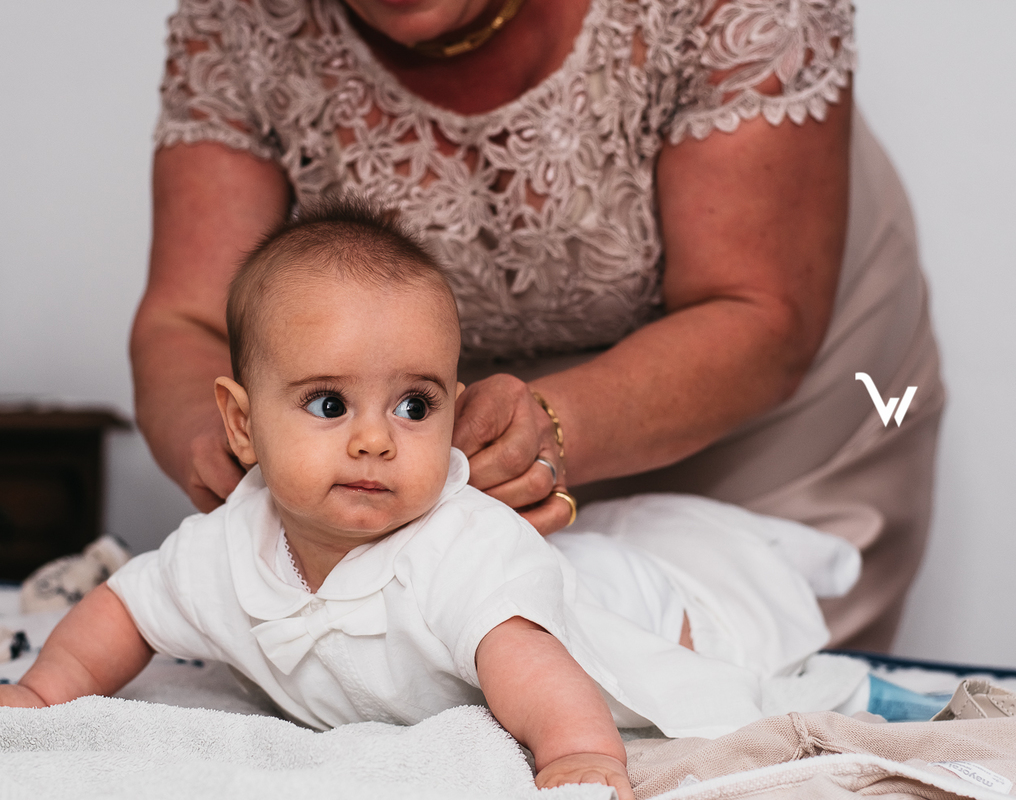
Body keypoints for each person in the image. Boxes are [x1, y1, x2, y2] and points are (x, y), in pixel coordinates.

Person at [130, 0, 943, 654]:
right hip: (433, 439)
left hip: (770, 433)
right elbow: (188, 316)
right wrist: (219, 442)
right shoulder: (239, 18)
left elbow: (757, 312)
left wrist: (546, 429)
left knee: (730, 702)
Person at [0, 206, 861, 791]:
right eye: (326, 403)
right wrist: (44, 694)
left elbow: (539, 678)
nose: (375, 438)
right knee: (626, 553)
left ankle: (787, 557)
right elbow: (125, 610)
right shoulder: (227, 547)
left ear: (453, 413)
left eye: (415, 404)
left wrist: (581, 762)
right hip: (557, 568)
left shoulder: (457, 551)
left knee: (723, 608)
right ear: (240, 425)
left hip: (621, 605)